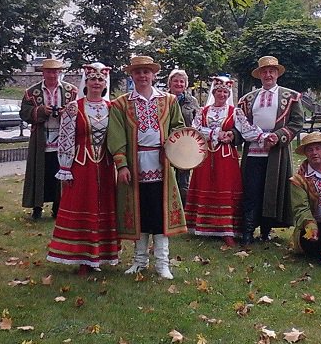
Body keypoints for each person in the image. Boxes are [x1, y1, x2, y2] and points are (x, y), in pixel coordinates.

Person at [108, 55, 186, 279]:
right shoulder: (121, 104)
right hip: (135, 164)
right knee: (139, 212)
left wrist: (173, 147)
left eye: (146, 71)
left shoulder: (169, 101)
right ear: (132, 75)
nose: (142, 75)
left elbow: (178, 127)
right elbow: (116, 136)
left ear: (154, 74)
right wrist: (122, 165)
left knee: (159, 213)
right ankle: (139, 261)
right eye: (138, 71)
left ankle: (163, 263)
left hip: (162, 165)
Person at [47, 63, 120, 275]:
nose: (96, 83)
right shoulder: (73, 107)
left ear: (105, 83)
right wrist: (65, 167)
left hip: (105, 166)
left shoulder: (112, 108)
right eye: (92, 79)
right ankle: (81, 257)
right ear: (85, 83)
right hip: (81, 164)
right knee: (82, 205)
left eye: (100, 80)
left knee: (103, 207)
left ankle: (101, 255)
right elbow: (66, 138)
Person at [185, 76, 263, 248]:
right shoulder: (203, 111)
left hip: (226, 156)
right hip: (205, 156)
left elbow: (247, 130)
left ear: (229, 94)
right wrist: (214, 134)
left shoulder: (235, 112)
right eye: (219, 91)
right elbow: (194, 129)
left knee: (225, 187)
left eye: (225, 92)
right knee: (206, 186)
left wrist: (263, 136)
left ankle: (227, 230)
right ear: (214, 92)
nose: (222, 94)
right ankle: (204, 226)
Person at [235, 56, 303, 245]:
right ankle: (248, 231)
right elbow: (241, 125)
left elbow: (297, 122)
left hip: (276, 154)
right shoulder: (248, 99)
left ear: (277, 74)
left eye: (271, 71)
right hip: (253, 152)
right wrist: (232, 136)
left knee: (271, 191)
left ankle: (266, 231)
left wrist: (279, 135)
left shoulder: (290, 96)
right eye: (264, 71)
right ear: (259, 75)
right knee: (251, 190)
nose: (268, 75)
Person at [20, 58, 78, 220]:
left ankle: (58, 208)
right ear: (43, 72)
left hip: (65, 140)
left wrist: (67, 112)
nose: (52, 74)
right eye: (49, 71)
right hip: (40, 140)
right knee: (40, 172)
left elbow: (80, 111)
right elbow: (24, 112)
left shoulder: (71, 91)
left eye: (55, 71)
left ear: (60, 72)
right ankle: (37, 207)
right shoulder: (32, 92)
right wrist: (40, 111)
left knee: (60, 173)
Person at [290, 132, 321, 260]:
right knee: (311, 243)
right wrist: (310, 226)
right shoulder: (298, 179)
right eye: (310, 150)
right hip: (313, 224)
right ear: (305, 154)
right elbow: (301, 209)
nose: (314, 153)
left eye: (318, 148)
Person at [167, 69, 199, 206]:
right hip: (166, 144)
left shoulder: (192, 101)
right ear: (170, 83)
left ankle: (182, 212)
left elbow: (197, 122)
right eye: (176, 81)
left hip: (185, 146)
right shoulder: (162, 99)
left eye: (182, 81)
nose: (179, 84)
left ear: (186, 84)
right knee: (167, 179)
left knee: (183, 181)